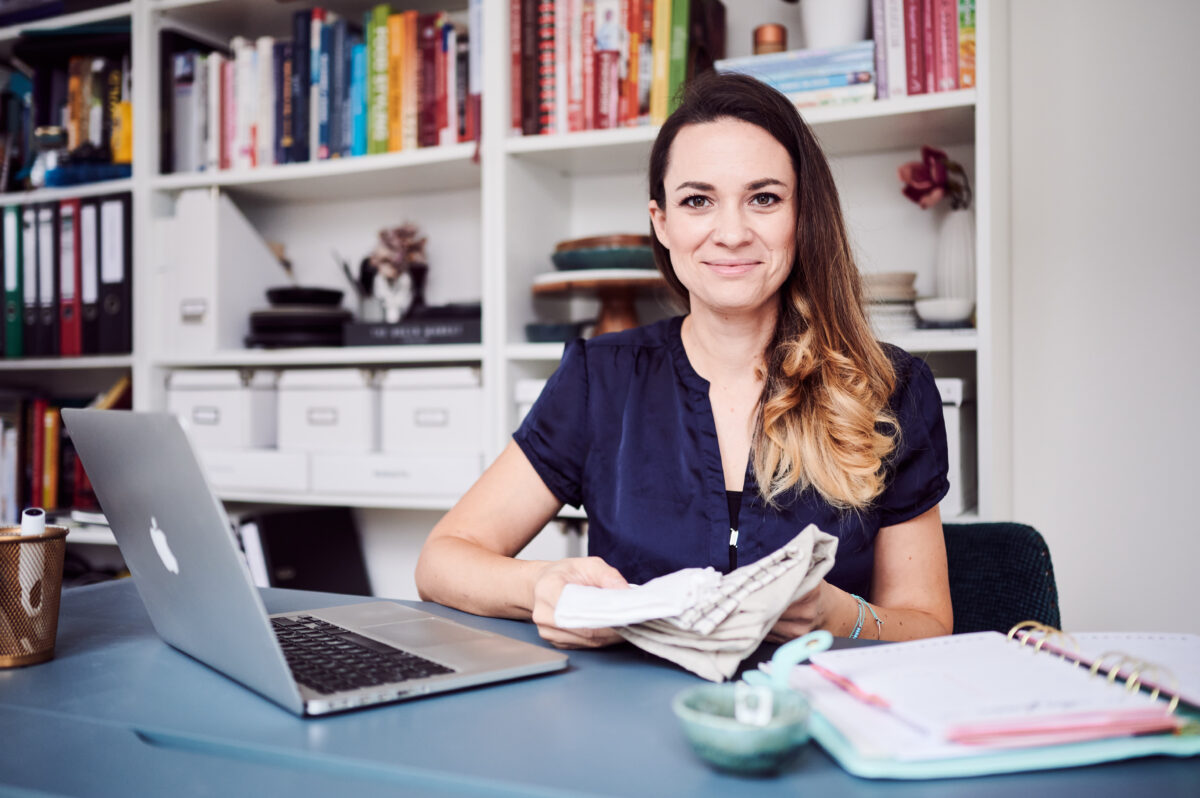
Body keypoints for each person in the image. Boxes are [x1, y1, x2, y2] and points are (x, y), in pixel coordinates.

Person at [416, 72, 953, 649]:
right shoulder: (600, 379)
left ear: (803, 217)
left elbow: (927, 623)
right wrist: (540, 584)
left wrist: (835, 613)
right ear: (662, 223)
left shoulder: (891, 388)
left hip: (816, 716)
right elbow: (442, 561)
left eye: (764, 198)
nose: (731, 233)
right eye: (698, 201)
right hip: (629, 717)